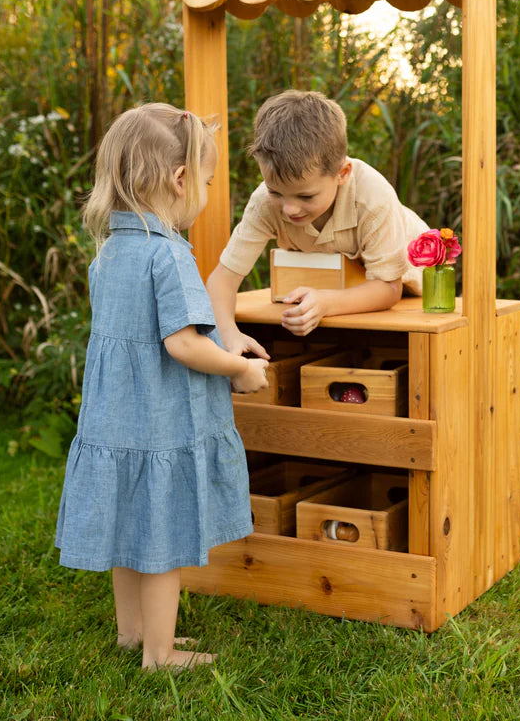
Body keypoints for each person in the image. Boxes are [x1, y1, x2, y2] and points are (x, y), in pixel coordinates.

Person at [54, 103, 270, 670]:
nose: (205, 191)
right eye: (205, 180)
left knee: (128, 530)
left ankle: (132, 634)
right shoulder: (168, 254)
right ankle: (160, 652)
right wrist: (239, 368)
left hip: (115, 419)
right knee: (161, 540)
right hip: (157, 423)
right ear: (178, 180)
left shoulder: (111, 252)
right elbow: (183, 344)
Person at [206, 90, 429, 344]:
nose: (289, 209)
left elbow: (389, 289)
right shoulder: (264, 203)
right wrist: (227, 335)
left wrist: (326, 302)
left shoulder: (373, 196)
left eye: (306, 197)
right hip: (345, 281)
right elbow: (223, 278)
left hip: (410, 287)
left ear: (342, 173)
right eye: (275, 192)